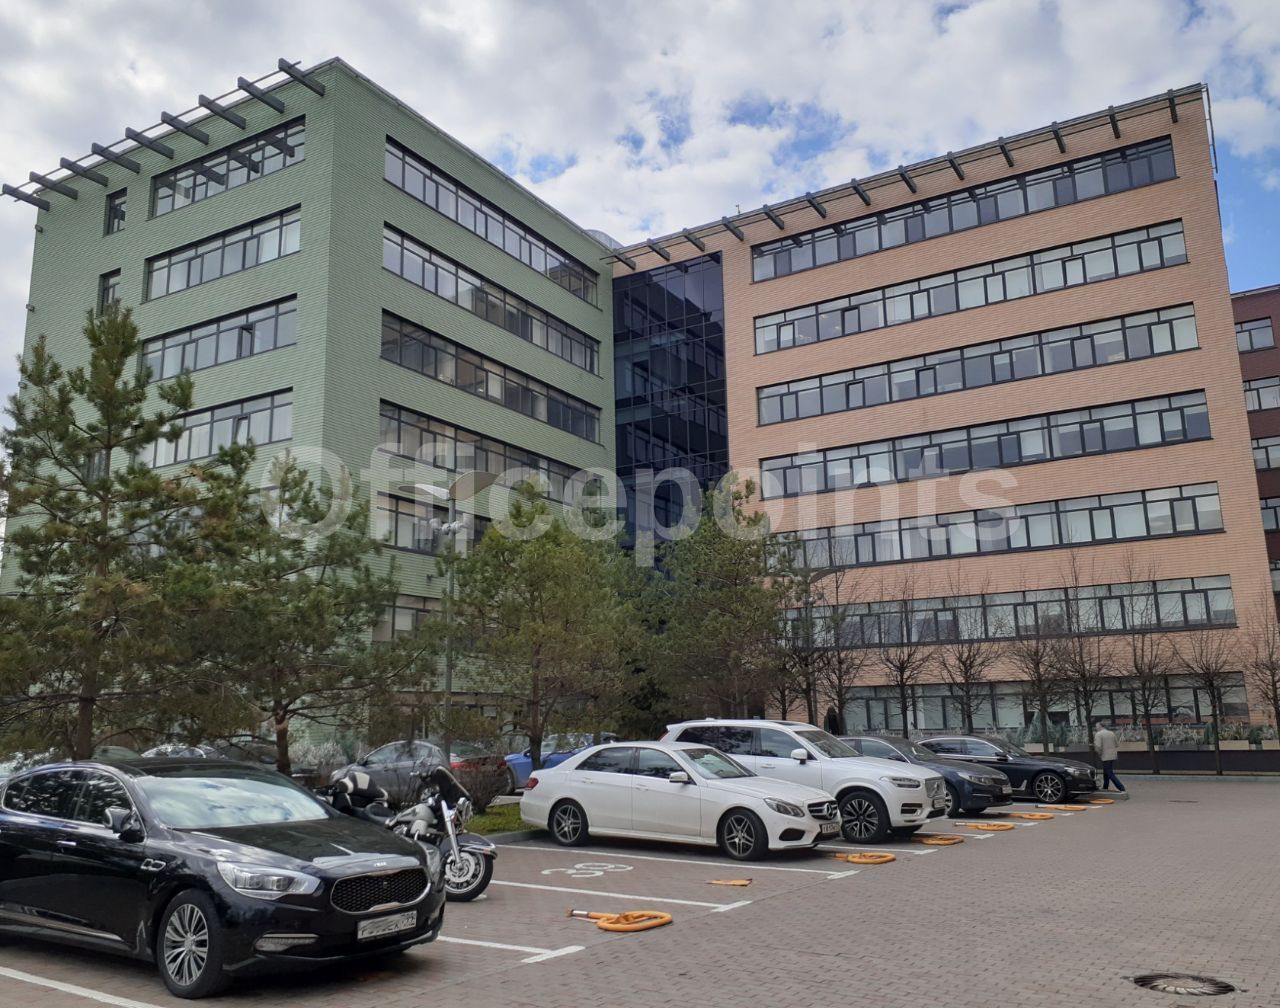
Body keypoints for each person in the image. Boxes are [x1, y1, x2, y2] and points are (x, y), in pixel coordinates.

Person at [1093, 722, 1129, 798]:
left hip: (1105, 756)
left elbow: (1098, 746)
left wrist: (1099, 753)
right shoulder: (1111, 733)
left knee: (1109, 772)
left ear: (1100, 726)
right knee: (1106, 771)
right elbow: (1116, 744)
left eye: (1096, 726)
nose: (1096, 728)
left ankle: (1121, 788)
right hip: (1113, 755)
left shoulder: (1098, 734)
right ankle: (1105, 787)